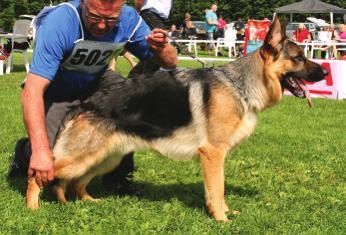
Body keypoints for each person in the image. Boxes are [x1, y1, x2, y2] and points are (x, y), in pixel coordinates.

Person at [8, 0, 177, 194]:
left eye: (111, 19)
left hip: (95, 81)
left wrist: (161, 48)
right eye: (95, 16)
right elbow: (32, 90)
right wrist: (39, 151)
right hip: (56, 89)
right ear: (83, 4)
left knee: (127, 98)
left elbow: (170, 62)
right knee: (52, 159)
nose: (103, 25)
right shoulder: (60, 22)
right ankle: (23, 151)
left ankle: (118, 177)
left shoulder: (129, 18)